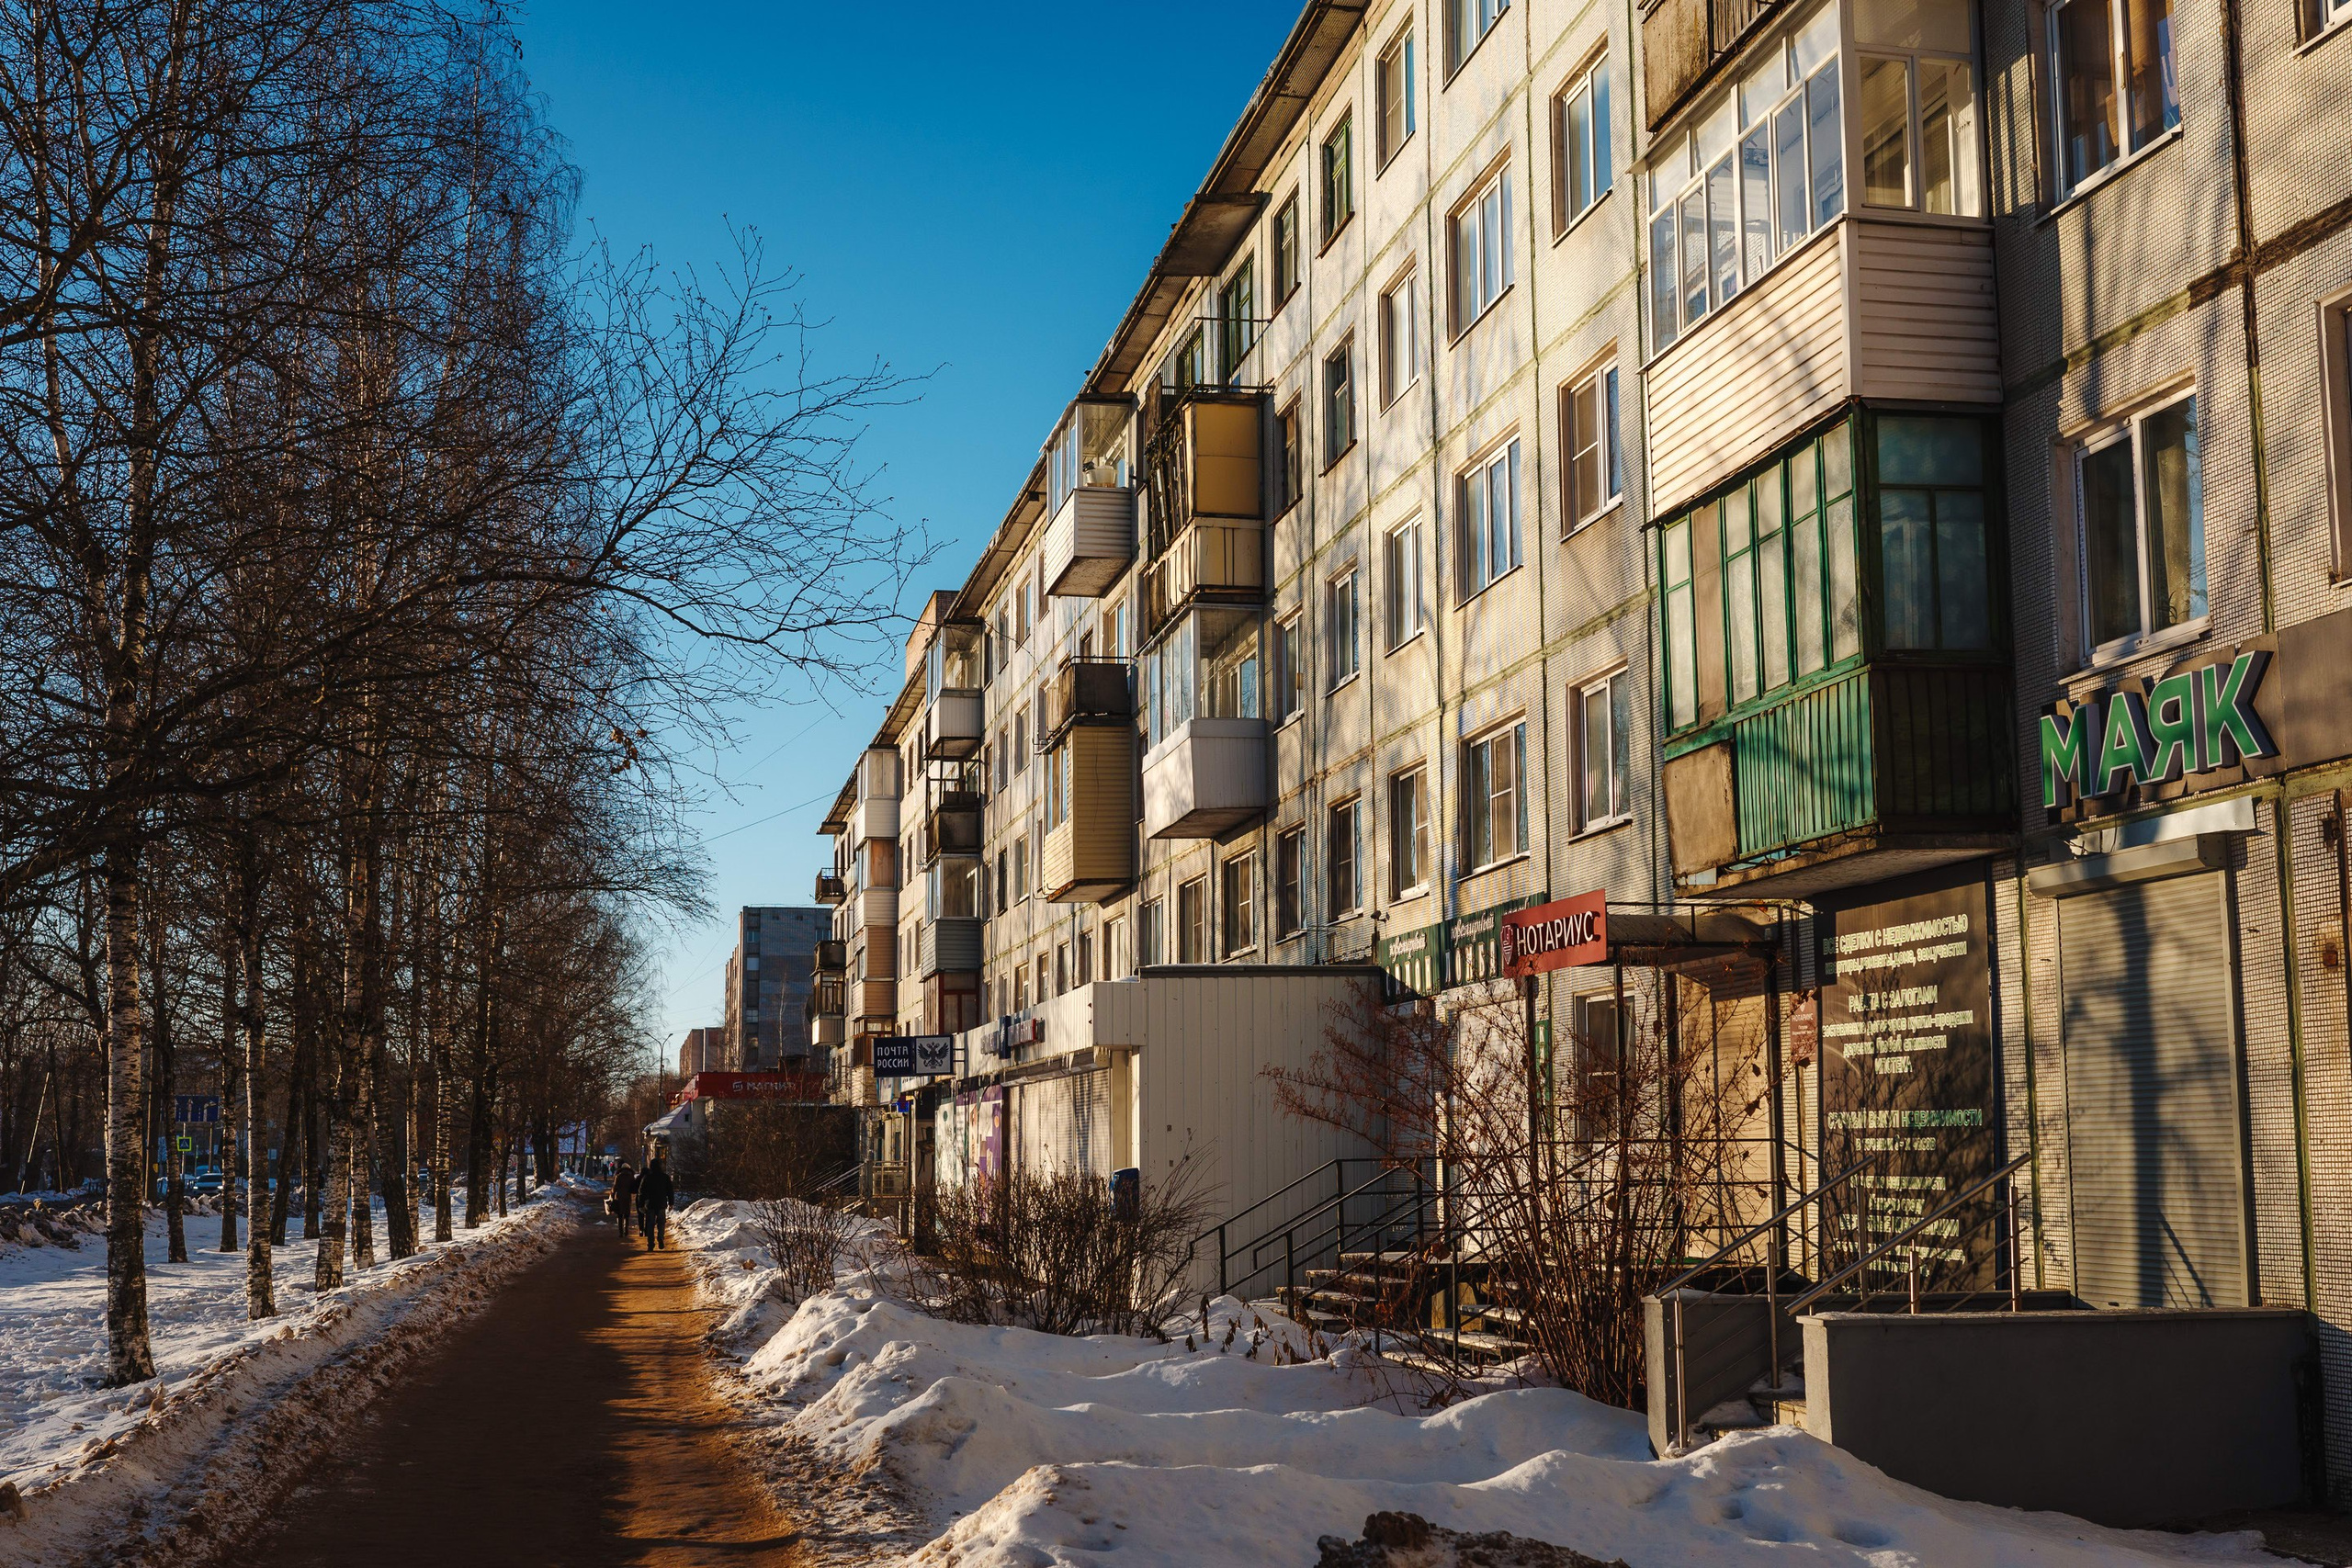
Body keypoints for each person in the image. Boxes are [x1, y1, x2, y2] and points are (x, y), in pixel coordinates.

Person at [637, 1153, 673, 1252]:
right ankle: (660, 1237)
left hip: (650, 1204)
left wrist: (641, 1204)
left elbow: (641, 1192)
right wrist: (671, 1202)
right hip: (661, 1202)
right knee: (661, 1223)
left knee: (650, 1224)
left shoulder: (647, 1177)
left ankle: (650, 1244)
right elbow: (670, 1190)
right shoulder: (665, 1177)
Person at [610, 1159, 639, 1238]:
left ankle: (621, 1232)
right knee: (627, 1214)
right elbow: (633, 1187)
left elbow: (614, 1187)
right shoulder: (631, 1177)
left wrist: (612, 1196)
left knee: (619, 1214)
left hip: (619, 1197)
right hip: (627, 1197)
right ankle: (626, 1231)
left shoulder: (618, 1176)